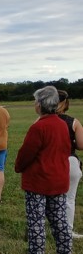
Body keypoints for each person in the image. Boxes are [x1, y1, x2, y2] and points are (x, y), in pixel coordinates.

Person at [14, 86, 73, 254]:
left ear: (40, 104)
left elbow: (26, 154)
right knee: (60, 223)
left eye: (35, 101)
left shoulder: (39, 127)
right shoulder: (62, 124)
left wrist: (18, 166)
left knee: (36, 224)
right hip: (59, 180)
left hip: (39, 182)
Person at [57, 90, 83, 238]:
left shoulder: (40, 121)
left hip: (48, 162)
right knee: (69, 199)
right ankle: (67, 231)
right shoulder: (73, 122)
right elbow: (80, 145)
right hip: (69, 161)